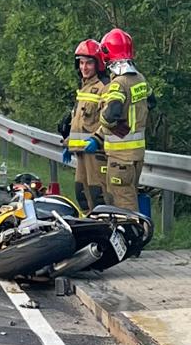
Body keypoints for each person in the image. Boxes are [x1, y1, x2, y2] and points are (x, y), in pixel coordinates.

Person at [94, 28, 148, 211]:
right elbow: (152, 102)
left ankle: (131, 236)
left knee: (123, 203)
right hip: (137, 155)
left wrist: (107, 123)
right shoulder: (140, 79)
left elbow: (111, 114)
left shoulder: (118, 83)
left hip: (120, 157)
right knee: (130, 193)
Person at [60, 39, 107, 209]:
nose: (84, 67)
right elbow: (78, 122)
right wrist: (68, 144)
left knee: (98, 198)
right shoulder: (84, 88)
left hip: (97, 155)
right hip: (80, 154)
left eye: (88, 63)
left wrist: (97, 140)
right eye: (81, 63)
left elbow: (109, 121)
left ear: (98, 64)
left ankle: (102, 234)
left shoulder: (104, 88)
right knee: (81, 195)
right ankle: (88, 234)